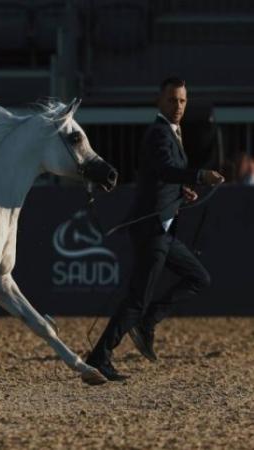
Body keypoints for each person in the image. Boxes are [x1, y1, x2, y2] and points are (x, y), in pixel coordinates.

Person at [86, 77, 225, 381]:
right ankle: (100, 355)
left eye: (183, 101)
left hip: (164, 229)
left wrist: (181, 192)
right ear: (159, 102)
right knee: (136, 299)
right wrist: (200, 175)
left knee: (198, 277)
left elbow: (163, 177)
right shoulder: (159, 134)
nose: (178, 106)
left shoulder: (171, 133)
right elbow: (164, 169)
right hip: (152, 229)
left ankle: (146, 322)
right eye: (173, 100)